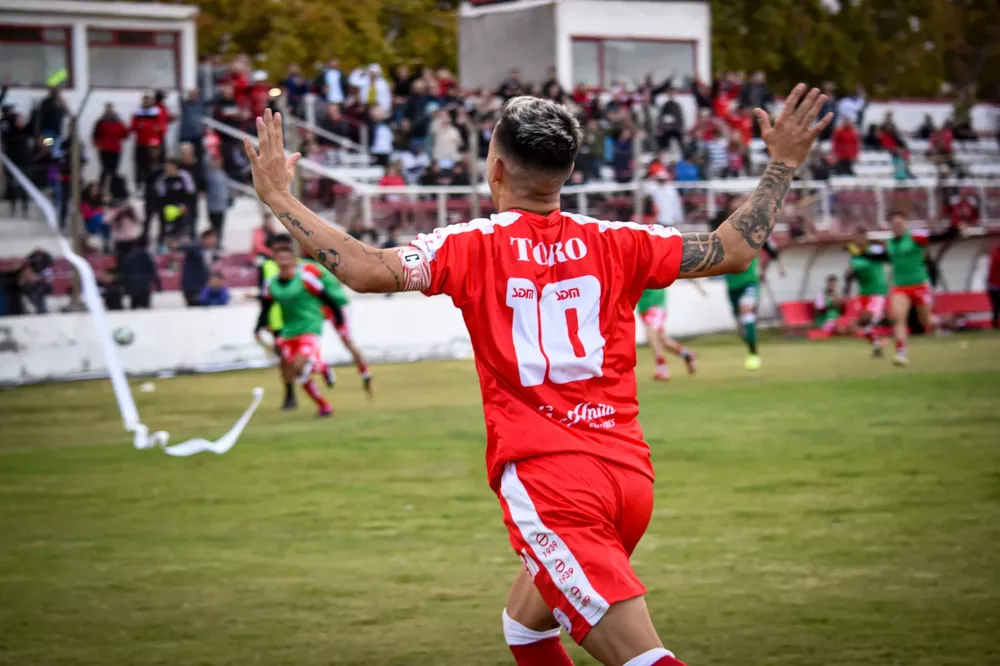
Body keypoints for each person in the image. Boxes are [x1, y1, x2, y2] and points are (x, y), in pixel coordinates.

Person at [243, 83, 831, 666]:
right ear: (569, 171)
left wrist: (278, 196)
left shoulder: (470, 244)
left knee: (644, 660)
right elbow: (731, 249)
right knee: (524, 628)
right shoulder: (619, 240)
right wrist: (781, 163)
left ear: (494, 167)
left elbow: (369, 270)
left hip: (552, 481)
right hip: (628, 480)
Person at [255, 244, 346, 418]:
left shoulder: (305, 278)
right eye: (279, 258)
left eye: (286, 258)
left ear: (293, 260)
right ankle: (324, 403)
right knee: (295, 373)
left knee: (298, 365)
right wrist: (259, 326)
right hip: (289, 330)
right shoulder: (271, 284)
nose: (282, 261)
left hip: (310, 325)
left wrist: (338, 317)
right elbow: (265, 308)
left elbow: (326, 296)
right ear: (275, 261)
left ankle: (320, 367)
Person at [884, 211, 960, 366]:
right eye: (894, 224)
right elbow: (878, 256)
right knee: (899, 318)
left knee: (925, 321)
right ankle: (901, 353)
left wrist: (954, 229)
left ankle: (937, 324)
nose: (897, 226)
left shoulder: (916, 237)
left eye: (900, 223)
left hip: (919, 285)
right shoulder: (889, 243)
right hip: (900, 287)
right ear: (890, 226)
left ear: (905, 224)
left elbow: (936, 237)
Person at [719, 196, 785, 370]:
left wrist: (779, 266)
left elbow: (772, 250)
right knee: (741, 325)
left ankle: (754, 354)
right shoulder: (723, 232)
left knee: (746, 311)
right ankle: (750, 344)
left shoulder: (756, 231)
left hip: (749, 281)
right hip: (732, 283)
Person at [301, 250, 374, 396]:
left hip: (336, 305)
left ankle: (364, 372)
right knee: (312, 337)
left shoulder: (306, 267)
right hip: (325, 305)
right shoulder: (318, 265)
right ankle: (322, 367)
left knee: (345, 340)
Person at [844, 228, 890, 357]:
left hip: (877, 290)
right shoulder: (854, 255)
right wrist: (847, 284)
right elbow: (853, 273)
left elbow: (886, 250)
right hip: (863, 292)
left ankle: (887, 333)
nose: (859, 241)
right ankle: (877, 345)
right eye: (857, 238)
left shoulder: (873, 249)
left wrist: (880, 244)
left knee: (865, 319)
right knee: (865, 326)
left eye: (861, 237)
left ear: (866, 238)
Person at [636, 288, 697, 381]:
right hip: (643, 304)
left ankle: (662, 369)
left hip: (655, 302)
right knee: (663, 341)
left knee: (651, 335)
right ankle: (687, 354)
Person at [92, 103, 129, 196]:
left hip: (116, 150)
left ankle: (113, 190)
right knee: (105, 169)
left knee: (114, 171)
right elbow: (95, 135)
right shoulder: (101, 122)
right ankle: (101, 190)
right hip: (105, 149)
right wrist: (98, 144)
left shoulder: (119, 121)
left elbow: (125, 134)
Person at [181, 229, 219, 307]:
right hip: (192, 287)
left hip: (203, 287)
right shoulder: (195, 248)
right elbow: (184, 247)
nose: (214, 241)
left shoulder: (211, 251)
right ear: (204, 239)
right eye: (211, 239)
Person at [988, 243, 1000, 329]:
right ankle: (995, 323)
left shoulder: (995, 253)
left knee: (996, 306)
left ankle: (995, 323)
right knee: (996, 305)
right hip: (995, 286)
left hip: (993, 285)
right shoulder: (997, 255)